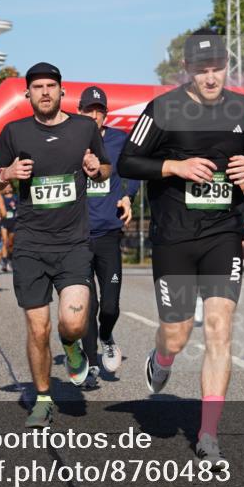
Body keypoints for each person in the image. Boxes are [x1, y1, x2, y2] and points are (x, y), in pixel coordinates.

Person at [118, 30, 244, 468]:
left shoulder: (242, 107)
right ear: (187, 70)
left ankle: (208, 435)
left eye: (217, 68)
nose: (211, 77)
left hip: (223, 232)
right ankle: (161, 357)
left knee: (219, 328)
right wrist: (175, 165)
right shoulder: (164, 109)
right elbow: (127, 160)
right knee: (178, 333)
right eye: (202, 70)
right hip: (176, 236)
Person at [0, 62, 110, 428]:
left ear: (61, 91)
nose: (44, 92)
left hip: (73, 243)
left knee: (72, 323)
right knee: (38, 328)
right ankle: (42, 399)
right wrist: (6, 174)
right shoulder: (14, 132)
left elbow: (105, 167)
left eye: (50, 86)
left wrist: (94, 167)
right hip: (30, 245)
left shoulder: (85, 127)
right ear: (28, 94)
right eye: (37, 87)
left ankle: (72, 347)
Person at [78, 85, 140, 390]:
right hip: (77, 237)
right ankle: (89, 366)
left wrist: (128, 196)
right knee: (87, 305)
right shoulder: (69, 141)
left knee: (110, 306)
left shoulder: (119, 141)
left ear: (105, 114)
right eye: (88, 110)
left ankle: (106, 336)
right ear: (79, 113)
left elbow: (135, 171)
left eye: (98, 111)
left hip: (108, 234)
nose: (93, 115)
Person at [0, 184, 17, 273]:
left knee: (11, 243)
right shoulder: (1, 198)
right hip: (4, 222)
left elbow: (19, 209)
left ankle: (10, 259)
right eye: (5, 187)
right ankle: (4, 262)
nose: (7, 188)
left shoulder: (15, 197)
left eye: (9, 186)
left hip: (13, 222)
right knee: (5, 241)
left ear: (11, 188)